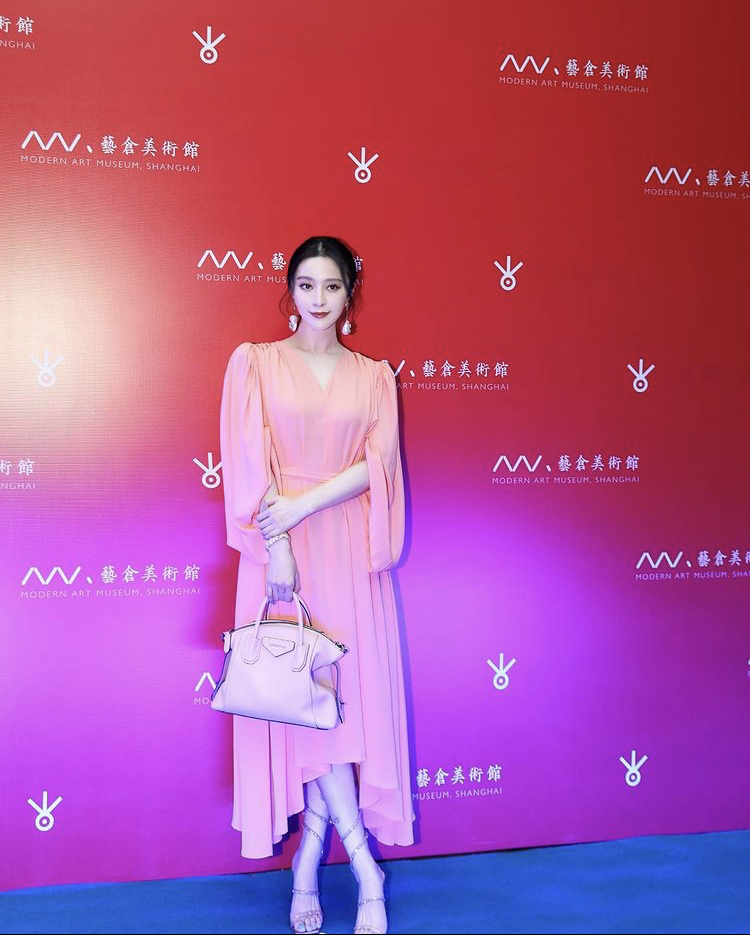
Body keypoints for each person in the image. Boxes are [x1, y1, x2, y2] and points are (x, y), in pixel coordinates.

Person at [219, 235, 414, 934]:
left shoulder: (374, 376)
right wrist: (278, 546)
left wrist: (305, 506)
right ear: (291, 291)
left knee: (338, 710)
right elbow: (250, 464)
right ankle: (363, 870)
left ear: (349, 293)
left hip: (345, 549)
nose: (319, 299)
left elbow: (377, 464)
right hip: (281, 553)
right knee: (302, 703)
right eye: (307, 285)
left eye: (332, 286)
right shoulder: (256, 364)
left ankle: (309, 863)